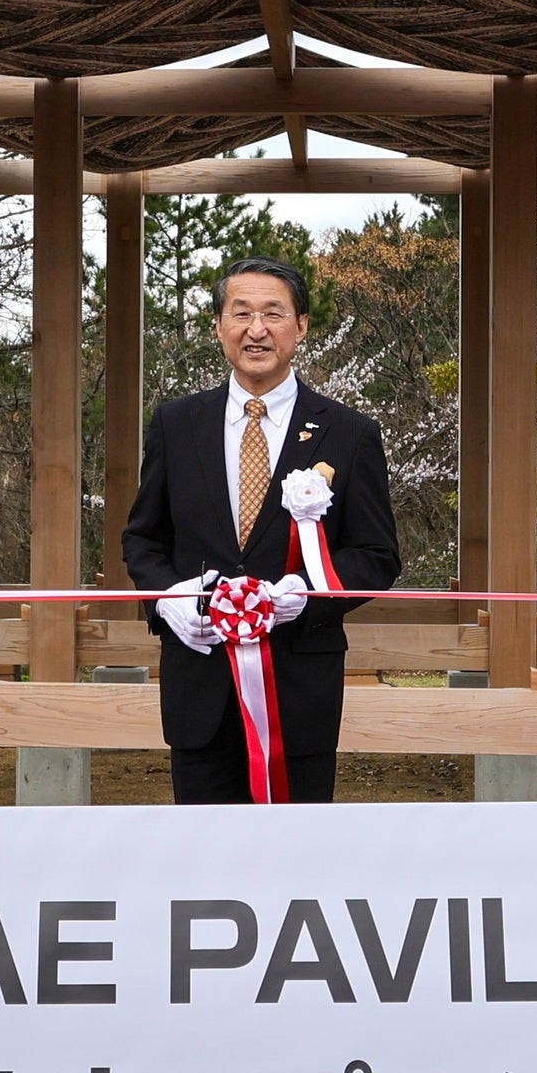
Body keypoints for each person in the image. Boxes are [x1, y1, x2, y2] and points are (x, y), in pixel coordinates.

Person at [119, 255, 403, 803]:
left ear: (301, 326)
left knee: (296, 848)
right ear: (218, 326)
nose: (257, 329)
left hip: (299, 689)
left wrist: (307, 593)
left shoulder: (349, 433)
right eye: (241, 313)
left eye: (273, 313)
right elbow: (144, 538)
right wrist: (170, 599)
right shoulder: (177, 424)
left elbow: (376, 554)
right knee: (202, 846)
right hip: (199, 680)